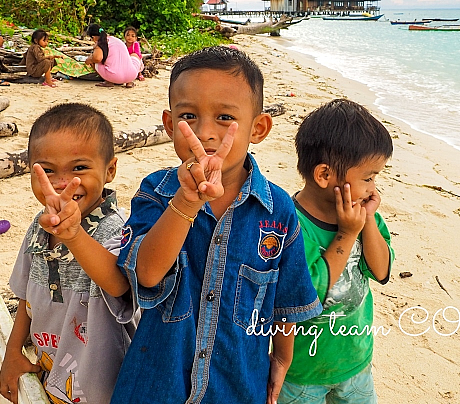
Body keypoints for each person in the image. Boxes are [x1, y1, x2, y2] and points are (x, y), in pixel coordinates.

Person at [111, 46, 323, 404]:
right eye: (189, 116)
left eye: (224, 117)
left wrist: (282, 360)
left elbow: (286, 301)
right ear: (169, 124)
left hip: (237, 386)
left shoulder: (279, 211)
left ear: (258, 128)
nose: (206, 132)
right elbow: (146, 274)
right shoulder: (157, 193)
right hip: (156, 383)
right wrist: (185, 203)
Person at [0, 103, 135, 404]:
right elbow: (25, 298)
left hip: (108, 390)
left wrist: (74, 236)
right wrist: (13, 352)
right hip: (54, 380)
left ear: (109, 170)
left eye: (79, 168)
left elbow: (118, 285)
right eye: (47, 171)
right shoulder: (38, 227)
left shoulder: (119, 229)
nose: (62, 183)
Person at [279, 99, 395, 404]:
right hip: (303, 373)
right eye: (368, 177)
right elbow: (310, 294)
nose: (374, 188)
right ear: (324, 175)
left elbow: (381, 271)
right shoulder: (293, 226)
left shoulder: (363, 216)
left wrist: (367, 222)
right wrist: (346, 234)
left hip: (354, 362)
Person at [85, 24, 143, 88]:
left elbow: (97, 59)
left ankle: (108, 81)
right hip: (131, 75)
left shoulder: (100, 43)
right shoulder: (116, 40)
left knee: (94, 61)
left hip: (114, 77)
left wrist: (89, 60)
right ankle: (129, 82)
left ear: (93, 37)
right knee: (134, 55)